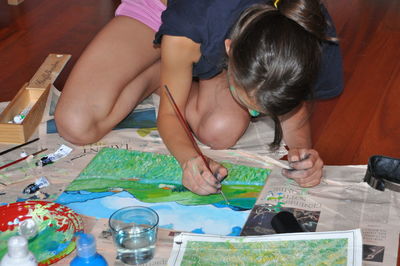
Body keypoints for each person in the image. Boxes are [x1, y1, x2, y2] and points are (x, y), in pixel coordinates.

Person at [55, 0, 343, 195]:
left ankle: (172, 73)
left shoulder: (305, 25)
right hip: (164, 10)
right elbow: (170, 114)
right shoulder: (189, 25)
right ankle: (166, 73)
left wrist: (303, 154)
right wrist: (189, 160)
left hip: (214, 31)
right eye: (251, 107)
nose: (255, 116)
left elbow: (292, 103)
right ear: (230, 50)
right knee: (76, 124)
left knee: (220, 130)